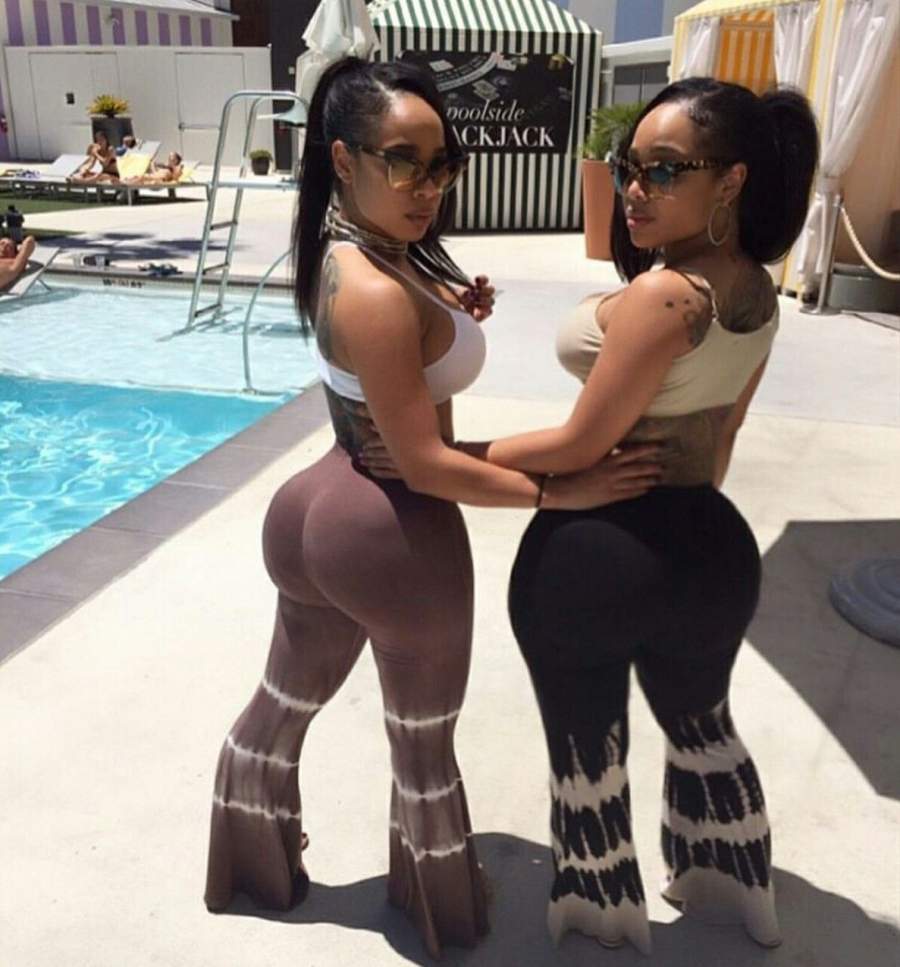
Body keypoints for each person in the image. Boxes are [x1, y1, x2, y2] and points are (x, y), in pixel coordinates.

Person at [203, 57, 659, 959]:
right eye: (403, 160)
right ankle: (439, 910)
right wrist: (562, 488)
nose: (429, 185)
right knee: (421, 743)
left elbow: (390, 368)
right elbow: (427, 465)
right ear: (343, 159)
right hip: (393, 534)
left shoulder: (352, 255)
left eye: (443, 162)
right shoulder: (378, 289)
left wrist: (447, 308)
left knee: (281, 706)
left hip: (316, 507)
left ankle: (250, 864)